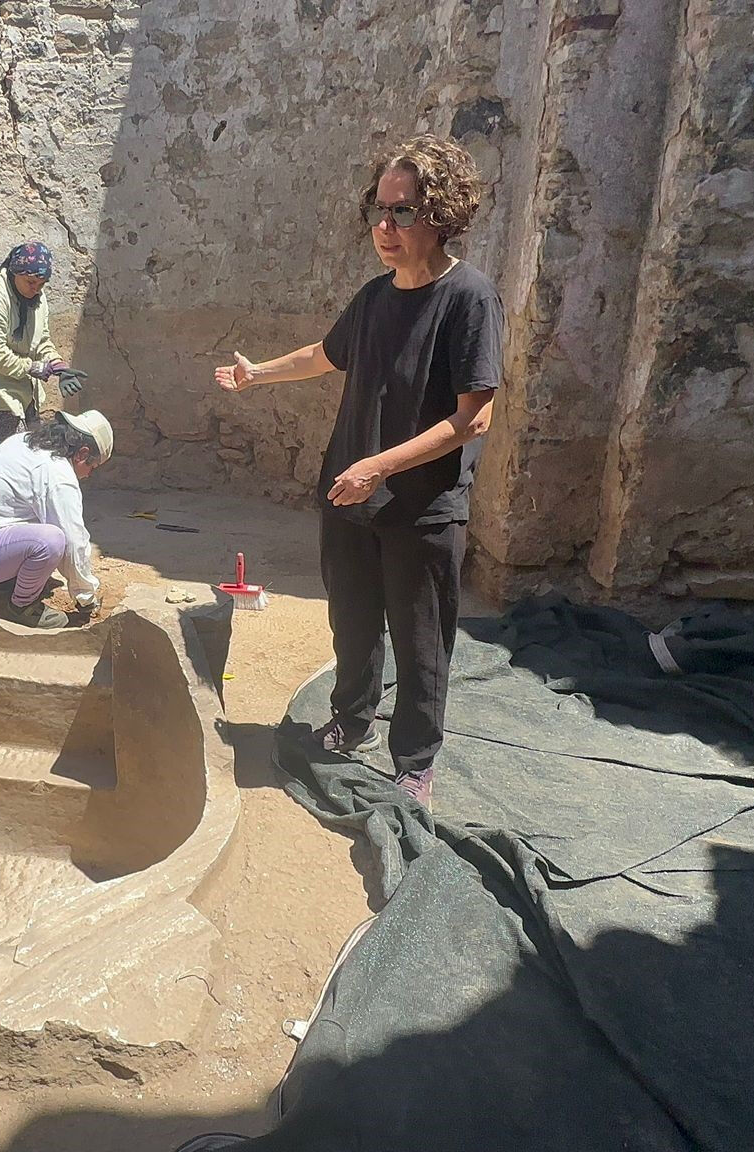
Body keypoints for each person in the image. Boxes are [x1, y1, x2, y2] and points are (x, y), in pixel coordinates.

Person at [215, 134, 501, 809]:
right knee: (352, 619)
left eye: (403, 212)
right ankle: (351, 718)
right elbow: (327, 352)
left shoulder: (469, 299)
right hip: (351, 497)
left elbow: (475, 419)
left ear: (442, 214)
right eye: (379, 209)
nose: (386, 226)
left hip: (422, 507)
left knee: (419, 636)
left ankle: (416, 760)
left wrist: (380, 465)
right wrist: (259, 374)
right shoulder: (375, 297)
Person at [0, 411, 113, 630]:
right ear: (82, 454)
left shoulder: (26, 442)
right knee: (51, 541)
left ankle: (7, 582)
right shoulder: (57, 475)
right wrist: (85, 596)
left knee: (45, 528)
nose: (89, 474)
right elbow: (73, 541)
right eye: (92, 467)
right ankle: (22, 607)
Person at [0, 242, 68, 464]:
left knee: (30, 465)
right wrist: (32, 367)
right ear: (14, 272)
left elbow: (41, 340)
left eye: (41, 284)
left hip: (25, 397)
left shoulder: (37, 298)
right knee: (5, 467)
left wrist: (57, 363)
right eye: (31, 282)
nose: (36, 289)